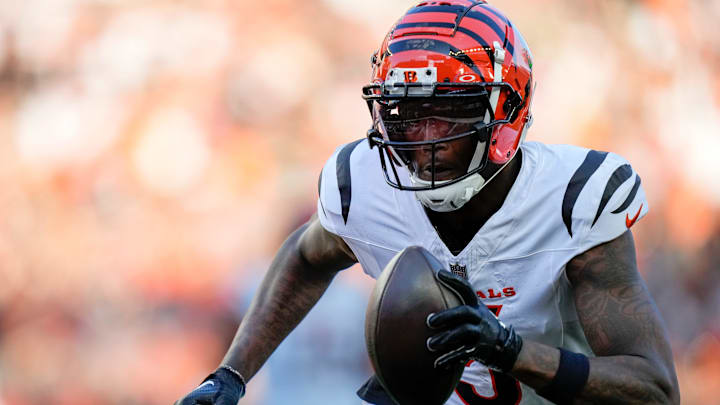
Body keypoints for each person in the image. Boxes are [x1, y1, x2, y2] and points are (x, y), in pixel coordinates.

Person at [175, 1, 680, 404]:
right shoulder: (365, 185)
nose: (424, 138)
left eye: (449, 111)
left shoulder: (574, 200)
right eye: (408, 112)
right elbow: (307, 258)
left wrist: (511, 351)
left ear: (505, 111)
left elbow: (653, 390)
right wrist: (231, 375)